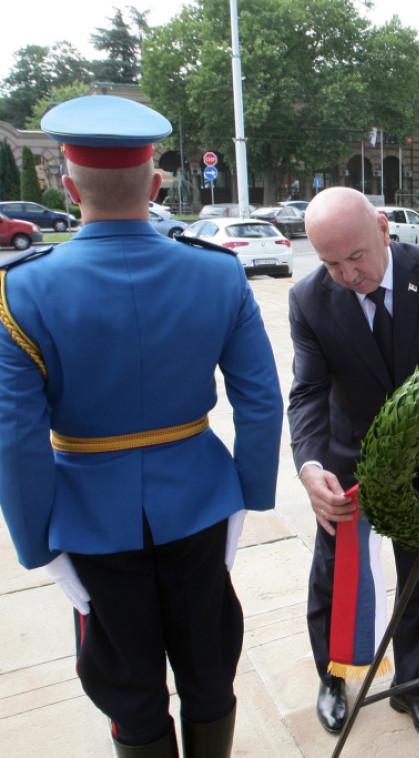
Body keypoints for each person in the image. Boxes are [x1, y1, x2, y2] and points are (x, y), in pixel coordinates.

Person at [0, 95, 283, 757]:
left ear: (69, 190)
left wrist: (38, 548)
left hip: (91, 522)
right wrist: (250, 498)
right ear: (156, 186)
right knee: (209, 671)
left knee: (128, 687)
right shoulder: (216, 272)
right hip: (202, 505)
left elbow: (15, 439)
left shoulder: (21, 291)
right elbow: (260, 402)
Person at [288, 187, 419, 744]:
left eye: (357, 256)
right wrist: (309, 465)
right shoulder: (308, 300)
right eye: (330, 262)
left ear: (384, 228)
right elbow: (306, 393)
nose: (347, 273)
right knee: (336, 576)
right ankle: (334, 676)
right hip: (349, 462)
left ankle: (411, 685)